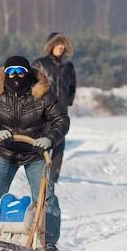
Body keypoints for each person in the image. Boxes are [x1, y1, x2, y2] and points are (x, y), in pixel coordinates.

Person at [0, 55, 69, 251]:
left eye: (20, 71)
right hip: (6, 152)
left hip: (35, 152)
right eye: (11, 72)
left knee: (46, 197)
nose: (15, 76)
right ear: (5, 74)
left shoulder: (42, 94)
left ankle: (49, 241)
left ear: (27, 73)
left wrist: (49, 139)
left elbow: (61, 120)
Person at [32, 32, 76, 184]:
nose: (61, 47)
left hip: (62, 113)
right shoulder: (40, 64)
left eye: (63, 44)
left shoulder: (68, 66)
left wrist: (68, 101)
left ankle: (53, 179)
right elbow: (32, 85)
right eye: (58, 43)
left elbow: (72, 86)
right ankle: (40, 178)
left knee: (59, 146)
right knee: (43, 145)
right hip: (43, 113)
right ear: (51, 45)